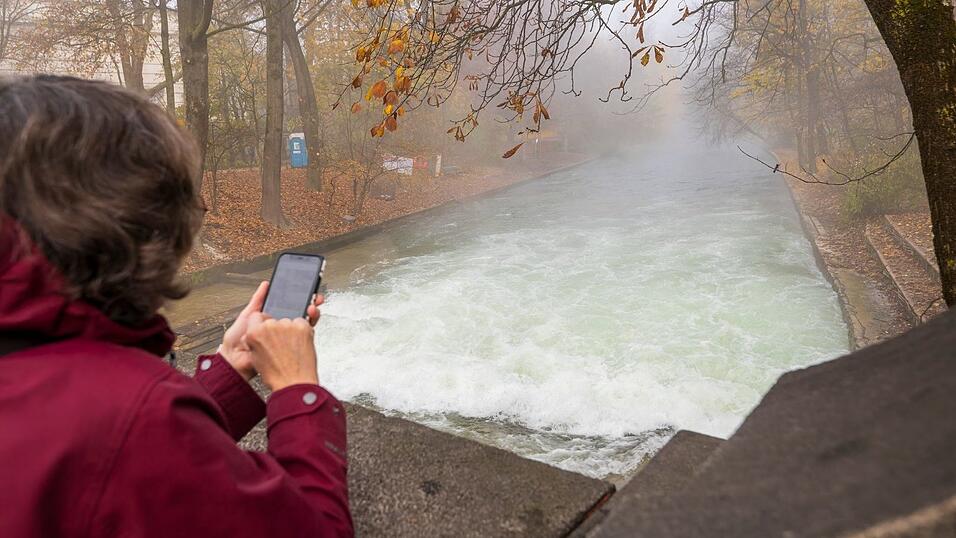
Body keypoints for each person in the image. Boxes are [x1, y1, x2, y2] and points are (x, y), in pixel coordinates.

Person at [0, 75, 353, 536]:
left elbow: (111, 467)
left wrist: (229, 366)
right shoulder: (137, 421)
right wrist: (297, 388)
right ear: (144, 221)